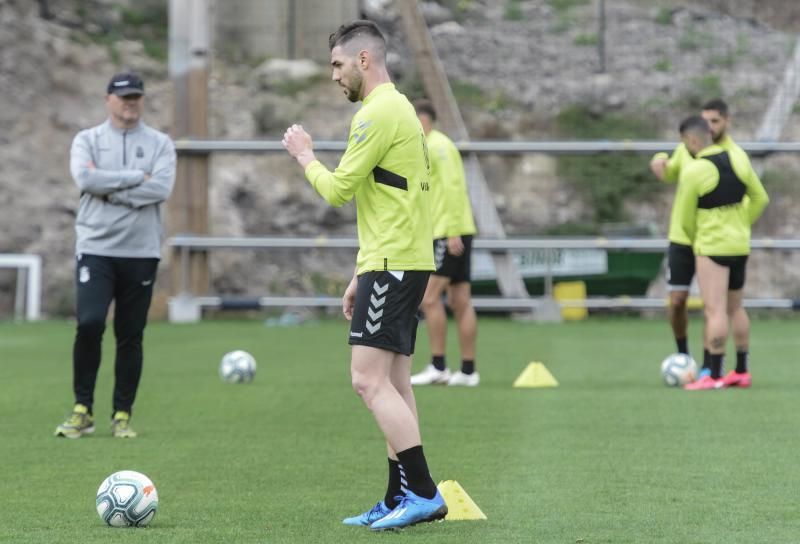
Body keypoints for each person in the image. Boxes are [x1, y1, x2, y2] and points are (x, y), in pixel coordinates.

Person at [281, 21, 447, 530]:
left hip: (394, 263)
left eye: (337, 64)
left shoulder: (375, 114)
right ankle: (398, 496)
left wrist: (305, 155)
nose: (334, 76)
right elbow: (392, 199)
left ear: (364, 61)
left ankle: (423, 493)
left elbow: (338, 190)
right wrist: (361, 270)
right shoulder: (399, 110)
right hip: (400, 259)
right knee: (395, 383)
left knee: (366, 381)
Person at [55, 72, 176, 438]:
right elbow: (86, 180)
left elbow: (161, 188)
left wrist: (111, 189)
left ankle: (122, 414)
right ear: (108, 99)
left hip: (140, 250)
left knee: (130, 333)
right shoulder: (87, 139)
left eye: (136, 97)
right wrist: (135, 178)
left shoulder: (160, 143)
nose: (130, 103)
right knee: (89, 323)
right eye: (123, 97)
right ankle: (82, 408)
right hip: (96, 247)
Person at [649, 98, 755, 378]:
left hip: (709, 242)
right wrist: (659, 159)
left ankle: (711, 370)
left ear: (727, 122)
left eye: (715, 121)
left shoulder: (735, 155)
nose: (709, 126)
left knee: (716, 308)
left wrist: (738, 222)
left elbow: (755, 198)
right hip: (685, 240)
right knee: (679, 301)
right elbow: (670, 171)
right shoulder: (688, 148)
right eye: (705, 120)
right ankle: (684, 355)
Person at [670, 115, 768, 390]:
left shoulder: (695, 170)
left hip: (711, 246)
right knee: (736, 307)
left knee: (715, 311)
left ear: (691, 141)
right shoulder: (738, 159)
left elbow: (686, 218)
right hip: (739, 244)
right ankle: (741, 370)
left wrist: (695, 238)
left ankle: (712, 376)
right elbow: (761, 197)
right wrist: (741, 223)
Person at [409, 99, 479, 387]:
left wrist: (450, 232)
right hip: (457, 229)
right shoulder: (434, 145)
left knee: (428, 298)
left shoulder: (437, 146)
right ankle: (467, 371)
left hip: (448, 231)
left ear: (422, 119)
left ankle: (438, 366)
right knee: (460, 300)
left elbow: (452, 188)